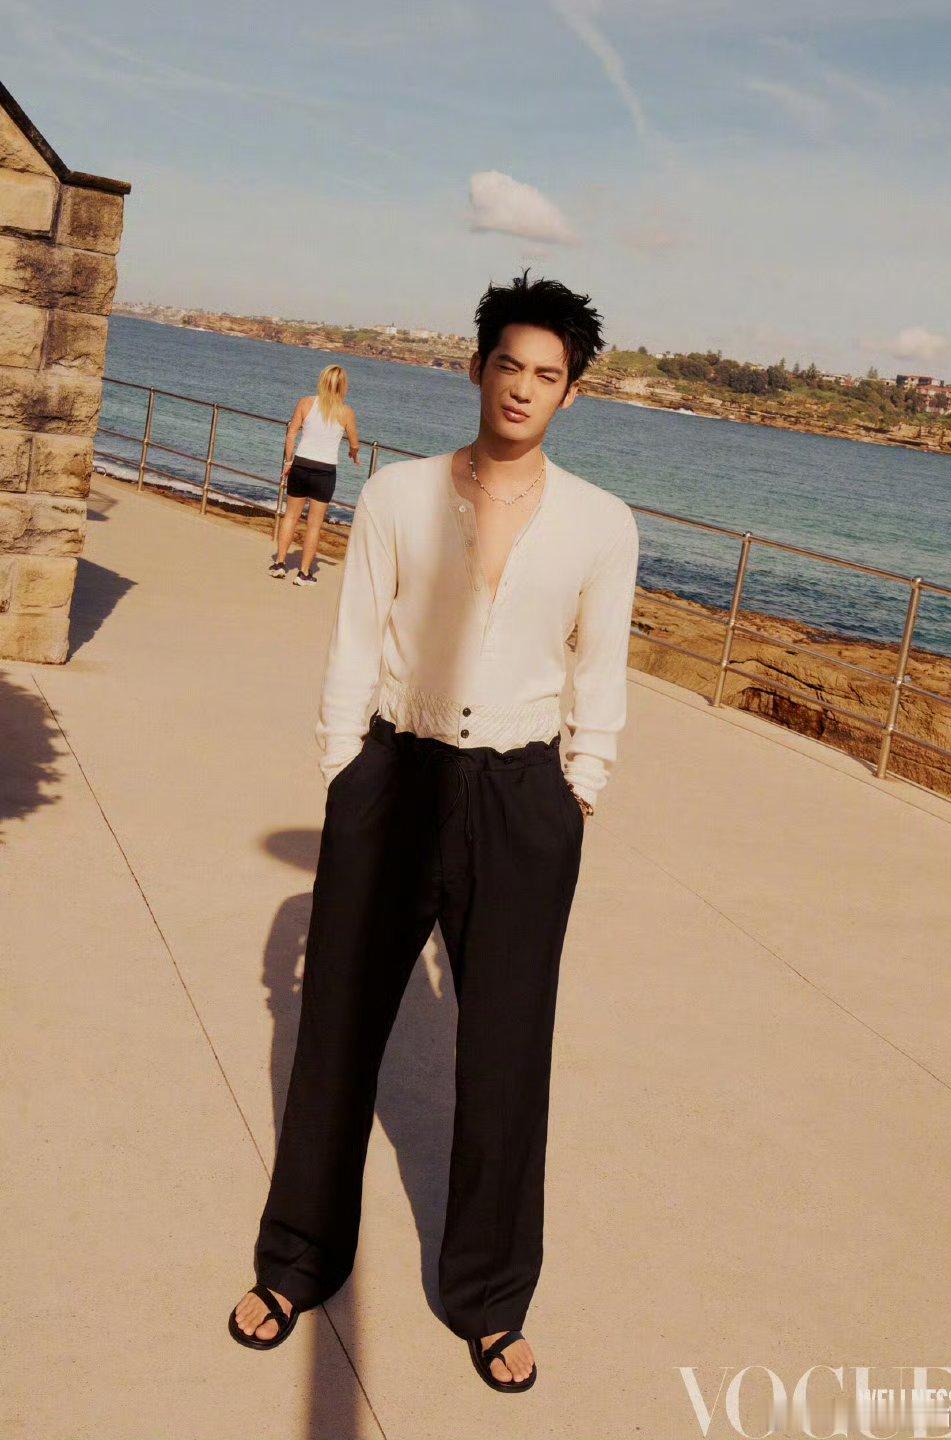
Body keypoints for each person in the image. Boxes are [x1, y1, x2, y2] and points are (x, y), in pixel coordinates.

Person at [231, 269, 640, 1393]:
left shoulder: (603, 525)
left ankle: (491, 1298)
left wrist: (579, 790)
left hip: (521, 798)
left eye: (547, 374)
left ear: (571, 394)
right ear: (476, 368)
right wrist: (345, 769)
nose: (523, 387)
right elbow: (357, 637)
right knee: (334, 1038)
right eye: (508, 364)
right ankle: (296, 1263)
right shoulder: (401, 495)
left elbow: (601, 671)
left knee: (505, 1055)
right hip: (394, 776)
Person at [269, 364, 361, 585]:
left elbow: (291, 434)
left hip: (300, 465)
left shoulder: (305, 402)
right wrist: (353, 453)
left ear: (322, 381)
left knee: (291, 516)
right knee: (314, 524)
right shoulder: (346, 412)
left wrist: (288, 460)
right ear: (343, 386)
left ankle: (279, 563)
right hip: (325, 471)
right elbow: (355, 443)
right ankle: (304, 573)